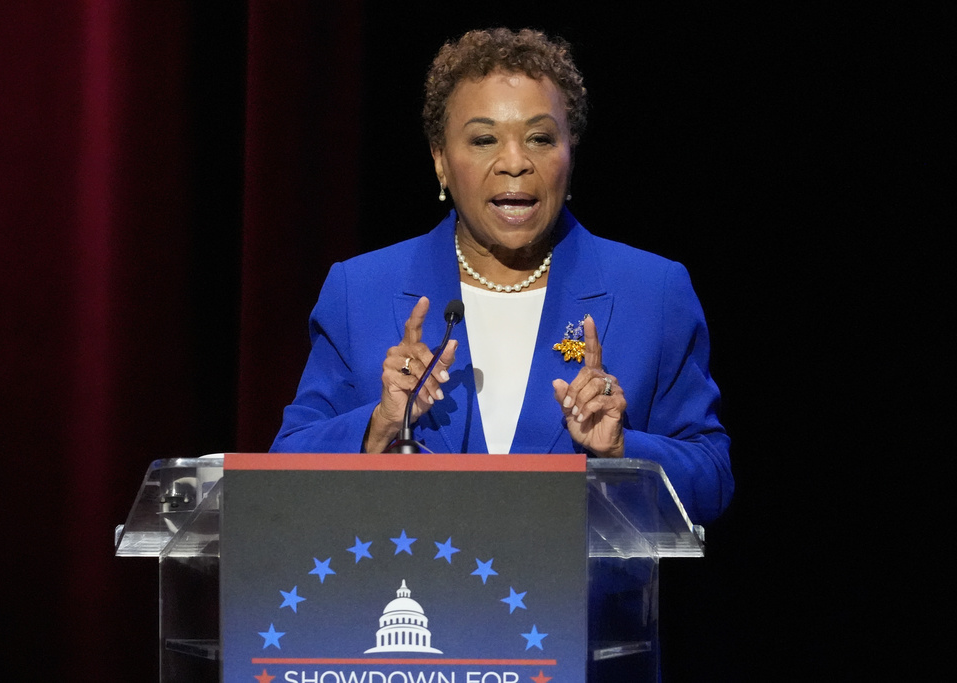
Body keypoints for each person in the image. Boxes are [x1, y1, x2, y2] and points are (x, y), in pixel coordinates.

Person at [270, 28, 732, 525]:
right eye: (484, 139)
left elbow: (711, 480)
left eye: (540, 138)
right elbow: (282, 472)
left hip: (580, 602)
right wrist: (381, 423)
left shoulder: (653, 291)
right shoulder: (359, 291)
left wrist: (622, 452)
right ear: (440, 160)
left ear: (569, 153)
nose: (515, 163)